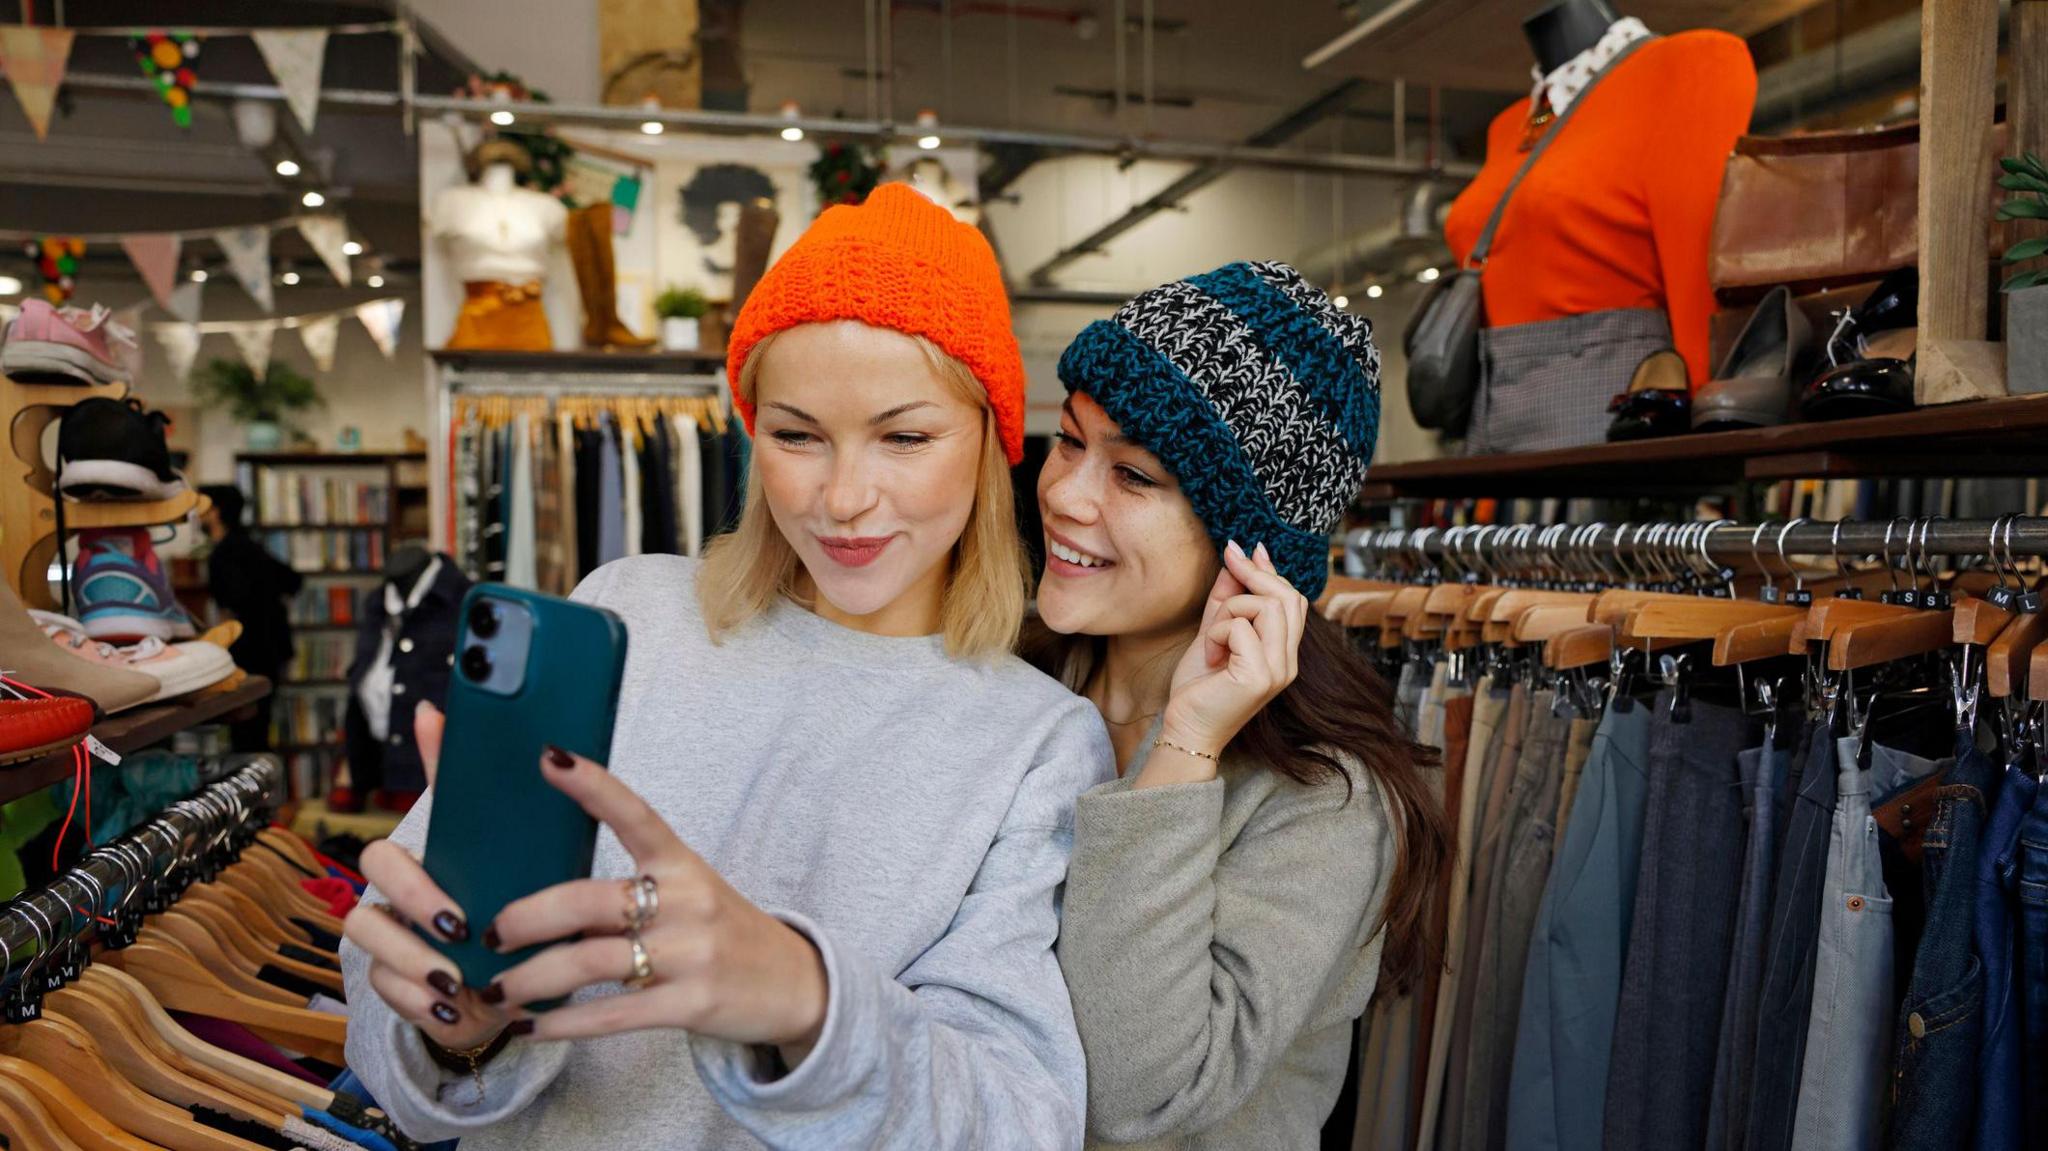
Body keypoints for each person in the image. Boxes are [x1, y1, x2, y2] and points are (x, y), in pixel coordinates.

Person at [339, 183, 1114, 1149]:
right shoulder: (627, 609)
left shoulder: (1037, 740)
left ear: (994, 445)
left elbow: (1020, 1120)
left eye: (905, 436)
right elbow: (385, 1005)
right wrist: (455, 1030)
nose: (842, 497)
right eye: (795, 435)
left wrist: (806, 999)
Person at [1028, 262, 1451, 1148]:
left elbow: (1136, 1092)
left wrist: (1184, 743)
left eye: (1134, 476)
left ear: (1247, 550)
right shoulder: (1018, 685)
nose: (1066, 495)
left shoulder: (1322, 798)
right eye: (1069, 441)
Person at [198, 483, 302, 750]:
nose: (197, 514)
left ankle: (250, 787)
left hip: (250, 651)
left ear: (216, 511)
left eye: (202, 507)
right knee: (256, 726)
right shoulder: (248, 545)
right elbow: (291, 580)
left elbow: (233, 602)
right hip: (269, 647)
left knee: (247, 731)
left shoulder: (226, 552)